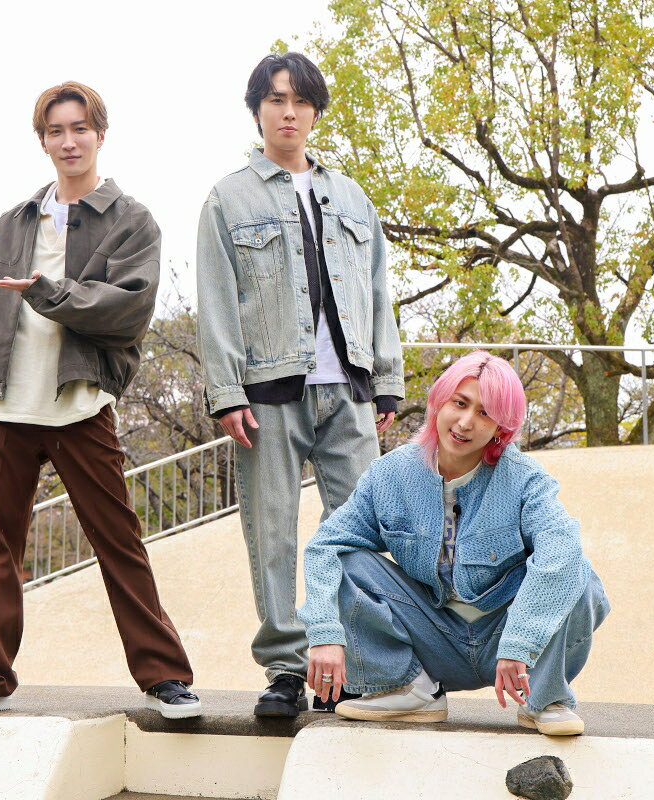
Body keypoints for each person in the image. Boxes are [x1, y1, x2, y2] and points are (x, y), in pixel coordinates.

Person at [0, 81, 200, 720]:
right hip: (6, 405)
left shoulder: (131, 220)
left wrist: (47, 291)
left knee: (119, 544)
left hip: (78, 403)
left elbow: (128, 309)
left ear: (100, 134)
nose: (69, 141)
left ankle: (165, 677)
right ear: (43, 141)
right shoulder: (15, 220)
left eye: (80, 128)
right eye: (56, 131)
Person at [196, 52, 405, 717]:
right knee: (273, 533)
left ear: (315, 112)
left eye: (301, 101)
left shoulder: (353, 197)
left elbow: (378, 290)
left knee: (361, 530)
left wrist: (387, 380)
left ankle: (351, 666)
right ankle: (287, 669)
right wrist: (227, 392)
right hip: (268, 390)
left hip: (349, 387)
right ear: (257, 110)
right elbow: (216, 301)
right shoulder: (228, 198)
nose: (289, 112)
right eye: (276, 100)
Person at [299, 352, 609, 735]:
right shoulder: (390, 475)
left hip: (509, 647)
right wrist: (324, 632)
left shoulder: (524, 479)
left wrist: (520, 642)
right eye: (459, 403)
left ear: (500, 428)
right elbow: (325, 546)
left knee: (578, 573)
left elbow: (560, 549)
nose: (465, 422)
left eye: (485, 413)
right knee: (347, 561)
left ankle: (545, 699)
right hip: (431, 636)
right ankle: (410, 688)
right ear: (438, 402)